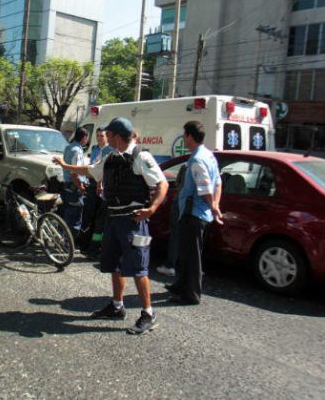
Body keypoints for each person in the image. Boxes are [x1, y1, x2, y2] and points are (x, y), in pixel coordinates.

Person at [52, 117, 169, 335]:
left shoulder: (140, 156)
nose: (105, 137)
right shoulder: (111, 157)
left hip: (133, 220)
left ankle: (148, 313)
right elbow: (91, 170)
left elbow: (162, 183)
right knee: (114, 264)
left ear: (116, 136)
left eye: (109, 134)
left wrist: (151, 209)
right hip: (114, 218)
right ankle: (117, 306)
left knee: (138, 268)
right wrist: (66, 166)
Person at [167, 121, 223, 306]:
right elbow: (218, 183)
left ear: (190, 136)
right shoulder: (209, 155)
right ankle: (181, 284)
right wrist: (215, 204)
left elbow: (205, 187)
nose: (183, 137)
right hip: (198, 213)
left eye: (185, 134)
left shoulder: (198, 159)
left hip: (194, 214)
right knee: (186, 253)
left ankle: (191, 294)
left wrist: (213, 205)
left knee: (192, 257)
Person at [79, 127, 113, 255]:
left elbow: (103, 171)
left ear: (107, 137)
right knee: (89, 216)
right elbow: (91, 166)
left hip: (103, 186)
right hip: (93, 184)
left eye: (102, 136)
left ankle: (95, 248)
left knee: (100, 219)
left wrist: (100, 184)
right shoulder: (95, 149)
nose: (99, 138)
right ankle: (86, 245)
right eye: (98, 135)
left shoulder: (111, 150)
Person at [156, 165, 187, 278]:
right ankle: (194, 268)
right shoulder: (211, 162)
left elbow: (178, 183)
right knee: (193, 238)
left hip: (181, 202)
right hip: (200, 208)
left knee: (176, 234)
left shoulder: (187, 165)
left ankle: (170, 266)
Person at [60, 127, 90, 242]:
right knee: (74, 217)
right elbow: (74, 173)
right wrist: (81, 186)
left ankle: (64, 241)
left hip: (67, 187)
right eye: (87, 137)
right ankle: (69, 243)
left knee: (68, 215)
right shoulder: (76, 151)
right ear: (84, 138)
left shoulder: (69, 147)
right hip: (74, 188)